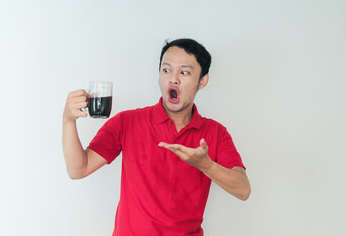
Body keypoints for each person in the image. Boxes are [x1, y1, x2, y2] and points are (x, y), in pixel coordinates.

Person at [62, 38, 251, 235]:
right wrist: (68, 120)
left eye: (184, 72)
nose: (173, 79)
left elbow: (243, 190)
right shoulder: (127, 122)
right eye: (166, 70)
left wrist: (206, 165)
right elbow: (78, 169)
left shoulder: (215, 132)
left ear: (202, 81)